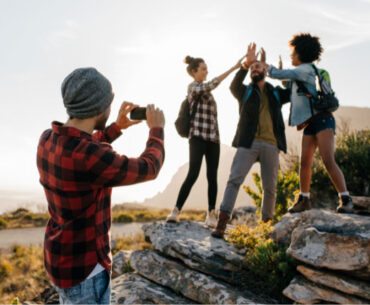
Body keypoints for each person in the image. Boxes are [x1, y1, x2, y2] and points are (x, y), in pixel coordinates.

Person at [36, 67, 165, 304]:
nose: (109, 108)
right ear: (97, 109)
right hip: (87, 271)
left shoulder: (46, 139)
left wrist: (115, 128)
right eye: (108, 103)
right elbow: (150, 168)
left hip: (59, 260)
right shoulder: (92, 156)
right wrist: (156, 130)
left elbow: (82, 147)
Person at [266, 33, 353, 214]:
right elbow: (290, 85)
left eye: (293, 53)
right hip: (310, 123)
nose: (291, 56)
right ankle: (304, 199)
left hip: (323, 119)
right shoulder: (301, 73)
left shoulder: (305, 69)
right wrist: (283, 75)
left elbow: (279, 74)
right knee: (304, 163)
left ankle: (346, 199)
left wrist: (264, 65)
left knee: (328, 160)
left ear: (301, 53)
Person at [211, 43, 291, 238]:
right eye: (253, 68)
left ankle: (266, 227)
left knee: (270, 188)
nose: (255, 69)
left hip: (272, 144)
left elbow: (291, 92)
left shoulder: (275, 92)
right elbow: (233, 86)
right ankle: (222, 223)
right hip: (248, 143)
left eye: (259, 67)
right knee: (234, 180)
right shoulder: (245, 91)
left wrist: (279, 74)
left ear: (265, 70)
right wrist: (245, 64)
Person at [166, 55, 244, 227]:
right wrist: (234, 67)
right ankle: (176, 210)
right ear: (194, 72)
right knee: (193, 173)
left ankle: (211, 214)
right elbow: (213, 84)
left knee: (212, 176)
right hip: (197, 137)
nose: (206, 71)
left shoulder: (207, 93)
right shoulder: (193, 87)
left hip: (213, 139)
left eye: (206, 68)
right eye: (203, 69)